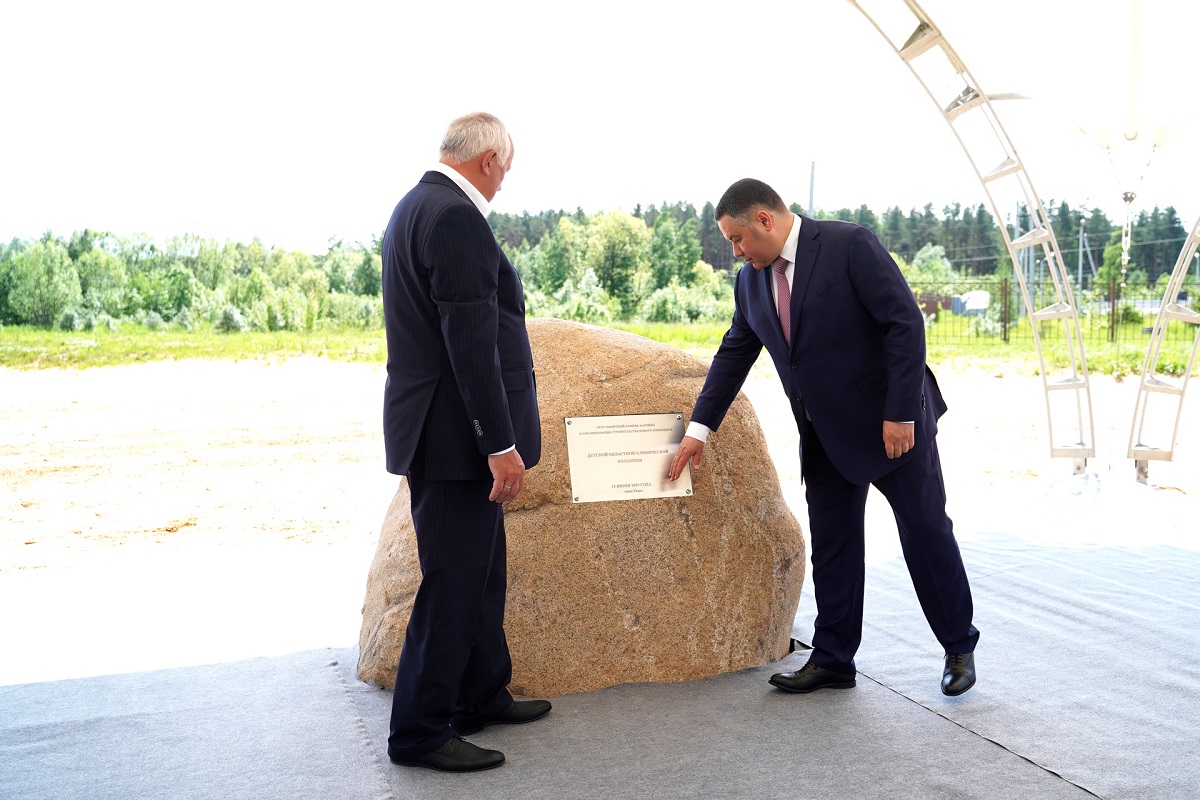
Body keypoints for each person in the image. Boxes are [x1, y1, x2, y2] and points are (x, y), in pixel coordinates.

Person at [667, 178, 979, 697]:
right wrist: (699, 429)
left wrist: (900, 412)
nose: (737, 252)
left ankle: (958, 647)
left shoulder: (848, 245)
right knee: (833, 545)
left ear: (766, 219)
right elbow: (732, 355)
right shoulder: (750, 282)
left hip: (893, 426)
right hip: (824, 432)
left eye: (738, 239)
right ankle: (834, 657)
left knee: (925, 533)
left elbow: (904, 323)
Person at [380, 112, 550, 773]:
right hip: (457, 438)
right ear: (488, 161)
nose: (505, 181)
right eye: (506, 167)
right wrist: (498, 443)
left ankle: (480, 693)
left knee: (482, 571)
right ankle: (420, 732)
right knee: (453, 582)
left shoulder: (414, 206)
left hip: (439, 429)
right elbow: (470, 344)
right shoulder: (454, 216)